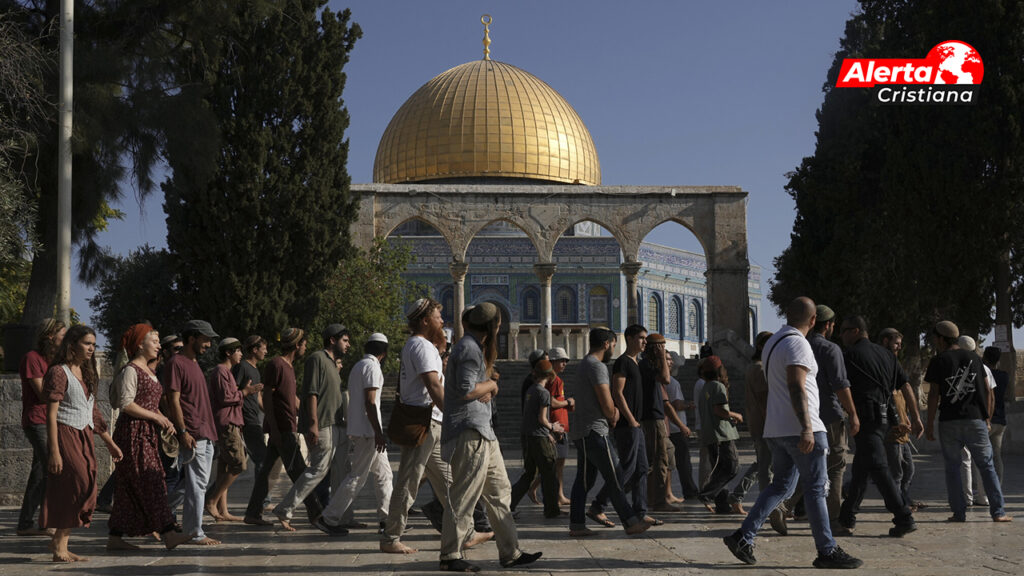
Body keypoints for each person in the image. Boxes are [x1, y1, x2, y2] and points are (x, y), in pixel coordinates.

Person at [723, 297, 862, 569]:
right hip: (800, 428)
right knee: (815, 489)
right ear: (813, 321)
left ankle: (743, 536)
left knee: (782, 485)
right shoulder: (798, 343)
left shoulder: (773, 343)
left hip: (777, 428)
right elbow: (797, 387)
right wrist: (807, 427)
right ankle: (827, 550)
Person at [382, 299, 491, 554]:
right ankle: (390, 537)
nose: (443, 321)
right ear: (425, 321)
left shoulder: (424, 346)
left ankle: (466, 532)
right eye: (438, 316)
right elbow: (433, 387)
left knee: (449, 483)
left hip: (432, 423)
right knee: (408, 483)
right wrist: (456, 415)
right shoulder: (420, 346)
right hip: (424, 424)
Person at [439, 302, 541, 572]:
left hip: (483, 431)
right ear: (493, 326)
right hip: (469, 432)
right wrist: (492, 384)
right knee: (464, 496)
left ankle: (510, 552)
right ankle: (450, 554)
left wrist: (487, 386)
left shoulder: (472, 348)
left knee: (500, 492)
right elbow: (465, 390)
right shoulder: (470, 349)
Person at [41, 325, 124, 562]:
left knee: (87, 484)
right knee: (78, 483)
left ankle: (60, 543)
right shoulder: (59, 372)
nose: (91, 348)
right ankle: (58, 544)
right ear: (72, 343)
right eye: (87, 343)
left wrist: (109, 442)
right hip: (65, 433)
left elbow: (93, 411)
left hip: (84, 434)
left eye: (94, 344)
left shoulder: (87, 372)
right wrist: (54, 452)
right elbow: (51, 414)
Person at [244, 328, 338, 533]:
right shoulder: (276, 364)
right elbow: (267, 397)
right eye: (304, 344)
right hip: (283, 430)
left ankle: (252, 513)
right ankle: (315, 513)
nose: (305, 347)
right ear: (297, 345)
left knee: (267, 473)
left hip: (288, 427)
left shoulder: (289, 367)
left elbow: (292, 399)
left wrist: (308, 414)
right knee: (301, 471)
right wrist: (275, 429)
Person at [107, 324, 192, 551]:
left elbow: (150, 403)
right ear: (140, 345)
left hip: (147, 434)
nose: (158, 346)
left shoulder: (150, 372)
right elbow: (126, 404)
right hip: (133, 434)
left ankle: (115, 537)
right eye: (154, 341)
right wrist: (157, 418)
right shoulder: (131, 370)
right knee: (152, 481)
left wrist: (163, 418)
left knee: (127, 488)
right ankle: (168, 533)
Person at [835, 316, 916, 537]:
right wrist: (915, 417)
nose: (840, 336)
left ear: (855, 331)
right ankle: (846, 518)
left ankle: (903, 517)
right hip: (883, 419)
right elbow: (904, 384)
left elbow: (841, 387)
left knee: (879, 466)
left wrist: (850, 413)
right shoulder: (887, 355)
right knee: (862, 468)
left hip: (864, 418)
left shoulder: (849, 356)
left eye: (843, 331)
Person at [567, 327, 652, 538]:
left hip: (582, 431)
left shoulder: (585, 364)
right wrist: (614, 414)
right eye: (614, 345)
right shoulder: (597, 367)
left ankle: (577, 525)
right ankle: (630, 521)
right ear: (607, 344)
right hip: (595, 430)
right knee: (616, 474)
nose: (614, 349)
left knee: (584, 480)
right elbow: (606, 401)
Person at [924, 321, 1011, 523]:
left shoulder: (939, 360)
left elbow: (934, 394)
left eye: (935, 338)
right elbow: (988, 391)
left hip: (949, 421)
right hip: (975, 420)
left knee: (953, 468)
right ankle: (998, 512)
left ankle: (959, 512)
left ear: (941, 338)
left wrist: (929, 424)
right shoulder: (974, 358)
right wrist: (987, 418)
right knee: (987, 466)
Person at [272, 324, 350, 531]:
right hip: (322, 425)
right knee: (317, 470)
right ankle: (285, 509)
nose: (348, 344)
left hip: (335, 425)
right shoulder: (317, 359)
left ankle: (327, 514)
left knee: (331, 472)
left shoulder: (332, 364)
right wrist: (313, 424)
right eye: (345, 340)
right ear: (332, 340)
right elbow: (311, 394)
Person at [786, 305, 857, 530]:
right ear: (828, 325)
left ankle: (783, 505)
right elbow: (840, 385)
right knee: (835, 466)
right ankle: (833, 520)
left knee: (808, 467)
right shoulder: (830, 349)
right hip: (828, 416)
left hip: (802, 416)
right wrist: (853, 413)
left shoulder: (796, 345)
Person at [320, 333, 394, 531]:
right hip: (369, 431)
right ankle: (329, 517)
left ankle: (387, 520)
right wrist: (378, 432)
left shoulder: (359, 366)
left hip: (365, 430)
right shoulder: (371, 367)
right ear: (384, 352)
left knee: (384, 475)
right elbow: (370, 402)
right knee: (357, 477)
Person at [162, 319, 221, 546]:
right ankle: (195, 532)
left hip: (206, 433)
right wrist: (183, 431)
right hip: (193, 433)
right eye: (205, 339)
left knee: (193, 484)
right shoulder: (176, 363)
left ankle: (162, 519)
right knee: (196, 484)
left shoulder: (194, 363)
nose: (208, 344)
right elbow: (173, 401)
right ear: (192, 338)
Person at [589, 324, 652, 527]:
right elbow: (617, 392)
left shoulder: (637, 363)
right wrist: (630, 419)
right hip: (628, 425)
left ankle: (640, 511)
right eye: (641, 338)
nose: (644, 342)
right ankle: (599, 505)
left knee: (642, 469)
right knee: (627, 468)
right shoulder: (623, 362)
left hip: (637, 424)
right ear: (630, 338)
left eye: (645, 338)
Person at [16, 318, 66, 536]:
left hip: (52, 421)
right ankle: (47, 521)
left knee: (40, 473)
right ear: (49, 336)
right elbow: (43, 394)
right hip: (37, 421)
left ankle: (26, 524)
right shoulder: (32, 358)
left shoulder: (55, 361)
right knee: (53, 469)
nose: (65, 340)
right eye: (62, 335)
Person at [726, 331, 775, 520]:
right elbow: (764, 401)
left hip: (759, 423)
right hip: (765, 424)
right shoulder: (760, 369)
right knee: (766, 467)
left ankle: (737, 496)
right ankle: (767, 506)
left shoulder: (756, 367)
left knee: (763, 463)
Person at [509, 359, 564, 518]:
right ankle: (552, 510)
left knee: (529, 473)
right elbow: (542, 418)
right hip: (538, 438)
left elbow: (530, 416)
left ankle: (509, 503)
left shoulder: (531, 390)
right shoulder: (544, 393)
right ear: (549, 375)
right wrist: (553, 428)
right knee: (549, 472)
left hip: (527, 435)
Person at [878, 328, 925, 511]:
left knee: (908, 469)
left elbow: (904, 391)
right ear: (885, 341)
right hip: (892, 429)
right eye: (896, 344)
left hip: (903, 429)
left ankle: (903, 497)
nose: (898, 348)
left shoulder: (894, 364)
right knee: (896, 472)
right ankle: (897, 505)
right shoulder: (881, 363)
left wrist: (912, 418)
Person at [205, 337, 249, 522]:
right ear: (228, 353)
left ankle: (223, 511)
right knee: (239, 464)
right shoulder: (220, 371)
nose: (240, 354)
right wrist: (245, 392)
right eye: (237, 350)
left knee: (225, 467)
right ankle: (212, 501)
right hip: (227, 423)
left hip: (232, 422)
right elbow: (226, 397)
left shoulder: (227, 372)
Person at [696, 356, 743, 513]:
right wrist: (735, 415)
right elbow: (719, 410)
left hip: (711, 434)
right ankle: (706, 494)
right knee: (732, 467)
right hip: (722, 435)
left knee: (719, 471)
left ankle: (722, 505)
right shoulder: (718, 386)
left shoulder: (705, 387)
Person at [639, 333, 677, 513]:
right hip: (652, 418)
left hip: (654, 417)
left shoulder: (648, 364)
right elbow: (666, 379)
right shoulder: (646, 364)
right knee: (659, 459)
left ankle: (654, 499)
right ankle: (658, 501)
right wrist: (662, 357)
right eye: (661, 347)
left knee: (657, 458)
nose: (664, 350)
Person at [533, 346, 574, 506]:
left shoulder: (555, 380)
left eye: (565, 361)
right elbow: (551, 401)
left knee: (558, 464)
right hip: (556, 426)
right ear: (553, 362)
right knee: (556, 465)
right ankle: (557, 495)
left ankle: (557, 493)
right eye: (561, 361)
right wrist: (568, 402)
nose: (564, 364)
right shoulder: (554, 381)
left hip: (559, 425)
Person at [232, 335, 267, 506]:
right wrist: (237, 422)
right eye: (263, 348)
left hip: (254, 419)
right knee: (262, 458)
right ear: (254, 349)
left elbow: (258, 398)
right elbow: (234, 392)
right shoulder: (242, 367)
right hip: (246, 420)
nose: (266, 351)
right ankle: (262, 501)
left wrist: (269, 412)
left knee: (237, 464)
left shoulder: (256, 370)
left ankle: (213, 497)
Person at [664, 351, 698, 502]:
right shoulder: (673, 383)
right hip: (677, 427)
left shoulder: (664, 382)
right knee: (683, 462)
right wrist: (688, 405)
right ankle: (689, 490)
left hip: (668, 428)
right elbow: (676, 404)